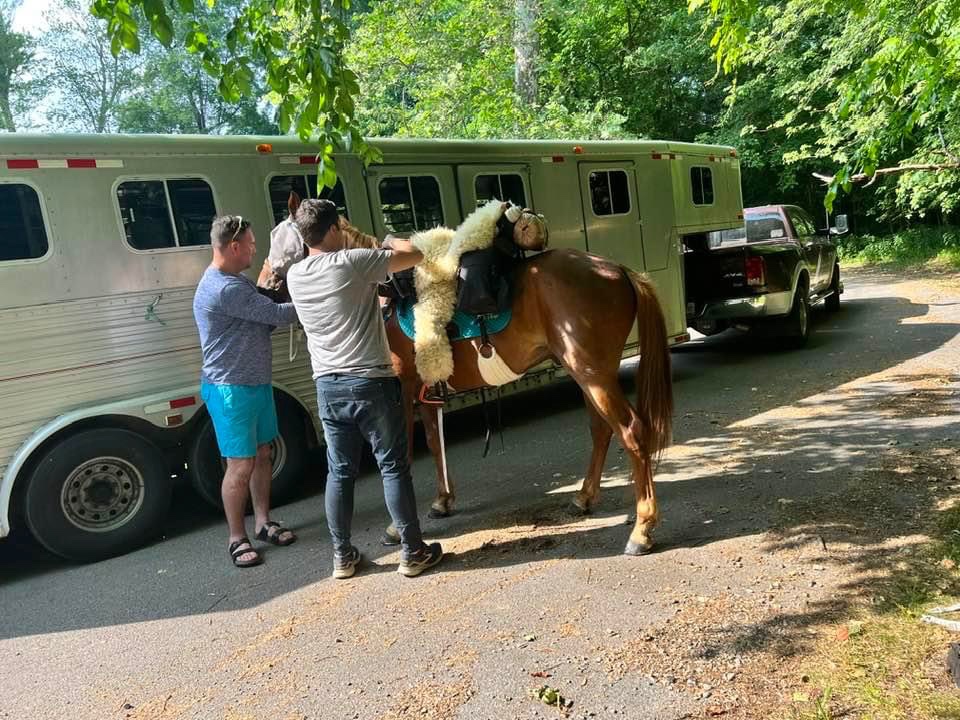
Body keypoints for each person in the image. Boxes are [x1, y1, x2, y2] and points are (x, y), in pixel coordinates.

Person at [286, 199, 443, 579]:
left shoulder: (295, 275)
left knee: (339, 472)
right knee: (393, 467)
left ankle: (342, 556)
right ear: (334, 229)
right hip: (371, 381)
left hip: (327, 386)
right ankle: (413, 552)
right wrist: (387, 239)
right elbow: (417, 254)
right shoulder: (353, 261)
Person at [193, 215, 300, 568]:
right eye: (252, 244)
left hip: (254, 383)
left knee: (262, 453)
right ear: (234, 246)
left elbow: (261, 322)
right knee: (240, 465)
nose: (256, 250)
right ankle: (236, 538)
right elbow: (279, 316)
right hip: (231, 389)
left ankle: (263, 522)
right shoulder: (226, 288)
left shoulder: (235, 281)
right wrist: (322, 294)